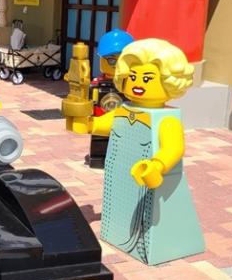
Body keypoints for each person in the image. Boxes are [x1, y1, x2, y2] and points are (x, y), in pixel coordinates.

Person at [63, 38, 204, 265]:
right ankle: (116, 234)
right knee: (119, 204)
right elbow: (104, 124)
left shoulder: (165, 119)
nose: (138, 83)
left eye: (147, 78)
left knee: (145, 217)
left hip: (148, 181)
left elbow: (174, 147)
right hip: (121, 177)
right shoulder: (125, 109)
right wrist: (83, 122)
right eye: (133, 77)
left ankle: (140, 245)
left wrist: (158, 164)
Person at [86, 29, 134, 168]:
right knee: (99, 140)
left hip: (124, 120)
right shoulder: (97, 83)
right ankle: (98, 158)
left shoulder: (131, 84)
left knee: (124, 140)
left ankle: (123, 159)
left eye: (121, 60)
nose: (116, 65)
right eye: (111, 60)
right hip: (101, 117)